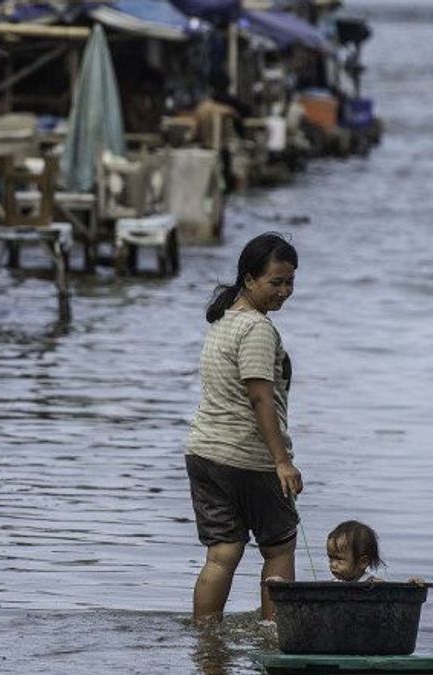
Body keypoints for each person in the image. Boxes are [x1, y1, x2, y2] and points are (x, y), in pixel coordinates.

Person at [186, 232, 302, 623]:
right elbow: (259, 398)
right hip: (248, 458)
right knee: (279, 549)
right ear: (249, 279)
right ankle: (274, 636)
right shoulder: (256, 329)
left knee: (222, 554)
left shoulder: (222, 320)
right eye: (275, 282)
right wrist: (282, 462)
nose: (284, 291)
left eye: (290, 282)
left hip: (204, 454)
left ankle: (205, 640)